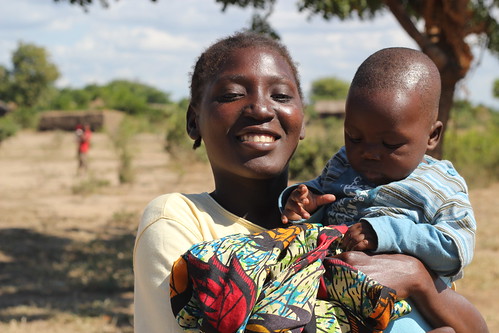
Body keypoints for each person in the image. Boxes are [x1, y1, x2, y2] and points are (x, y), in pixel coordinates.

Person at [133, 32, 488, 333]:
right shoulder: (178, 220)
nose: (260, 109)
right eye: (231, 94)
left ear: (303, 122)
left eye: (281, 96)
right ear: (194, 121)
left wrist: (419, 280)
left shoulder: (410, 200)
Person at [281, 47, 475, 286]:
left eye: (390, 143)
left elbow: (456, 249)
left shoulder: (440, 183)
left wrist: (386, 233)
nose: (369, 153)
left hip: (404, 302)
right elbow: (320, 200)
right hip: (327, 287)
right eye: (354, 137)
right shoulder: (343, 163)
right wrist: (304, 205)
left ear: (432, 136)